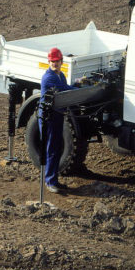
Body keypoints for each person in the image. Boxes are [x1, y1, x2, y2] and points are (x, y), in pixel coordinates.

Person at [39, 47, 76, 193]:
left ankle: (54, 180)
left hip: (57, 115)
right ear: (49, 61)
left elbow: (66, 87)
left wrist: (77, 85)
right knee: (52, 149)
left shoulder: (61, 75)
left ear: (61, 61)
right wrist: (81, 89)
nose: (54, 63)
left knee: (56, 147)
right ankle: (50, 181)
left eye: (57, 61)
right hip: (49, 117)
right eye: (52, 61)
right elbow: (65, 90)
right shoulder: (49, 77)